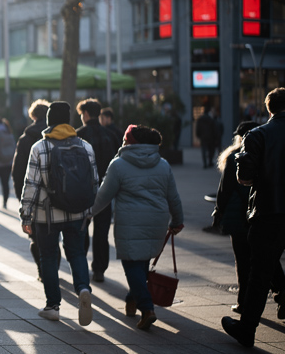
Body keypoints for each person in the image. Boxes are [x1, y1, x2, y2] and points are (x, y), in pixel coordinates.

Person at [89, 125, 185, 330]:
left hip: (130, 222)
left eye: (125, 139)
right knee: (141, 262)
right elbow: (173, 197)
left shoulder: (119, 165)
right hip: (157, 221)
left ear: (131, 142)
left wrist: (87, 214)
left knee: (132, 265)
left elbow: (103, 196)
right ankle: (131, 300)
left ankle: (147, 308)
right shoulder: (163, 165)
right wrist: (177, 220)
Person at [223, 88, 285, 347]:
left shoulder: (257, 135)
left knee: (260, 274)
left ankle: (247, 328)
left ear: (268, 109)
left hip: (269, 211)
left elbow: (244, 178)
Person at [20, 101, 97, 326]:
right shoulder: (85, 146)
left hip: (47, 216)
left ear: (49, 121)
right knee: (77, 254)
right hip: (77, 213)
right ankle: (83, 288)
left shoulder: (40, 148)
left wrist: (26, 215)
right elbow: (94, 182)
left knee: (48, 256)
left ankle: (53, 305)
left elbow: (31, 185)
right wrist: (90, 211)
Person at [213, 121, 285, 317]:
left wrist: (218, 211)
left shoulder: (234, 158)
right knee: (267, 258)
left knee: (244, 261)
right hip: (265, 214)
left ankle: (243, 304)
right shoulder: (270, 154)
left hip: (240, 218)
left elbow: (225, 190)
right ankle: (281, 290)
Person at [76, 99, 120, 283]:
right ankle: (99, 269)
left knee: (81, 230)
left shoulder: (78, 136)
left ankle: (81, 266)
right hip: (105, 190)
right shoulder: (110, 135)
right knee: (102, 232)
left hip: (82, 191)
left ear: (85, 114)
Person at [12, 99, 50, 280]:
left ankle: (43, 270)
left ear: (33, 116)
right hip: (55, 195)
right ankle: (52, 269)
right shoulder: (56, 138)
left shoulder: (26, 138)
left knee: (35, 236)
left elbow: (17, 170)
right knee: (52, 236)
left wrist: (21, 195)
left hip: (33, 195)